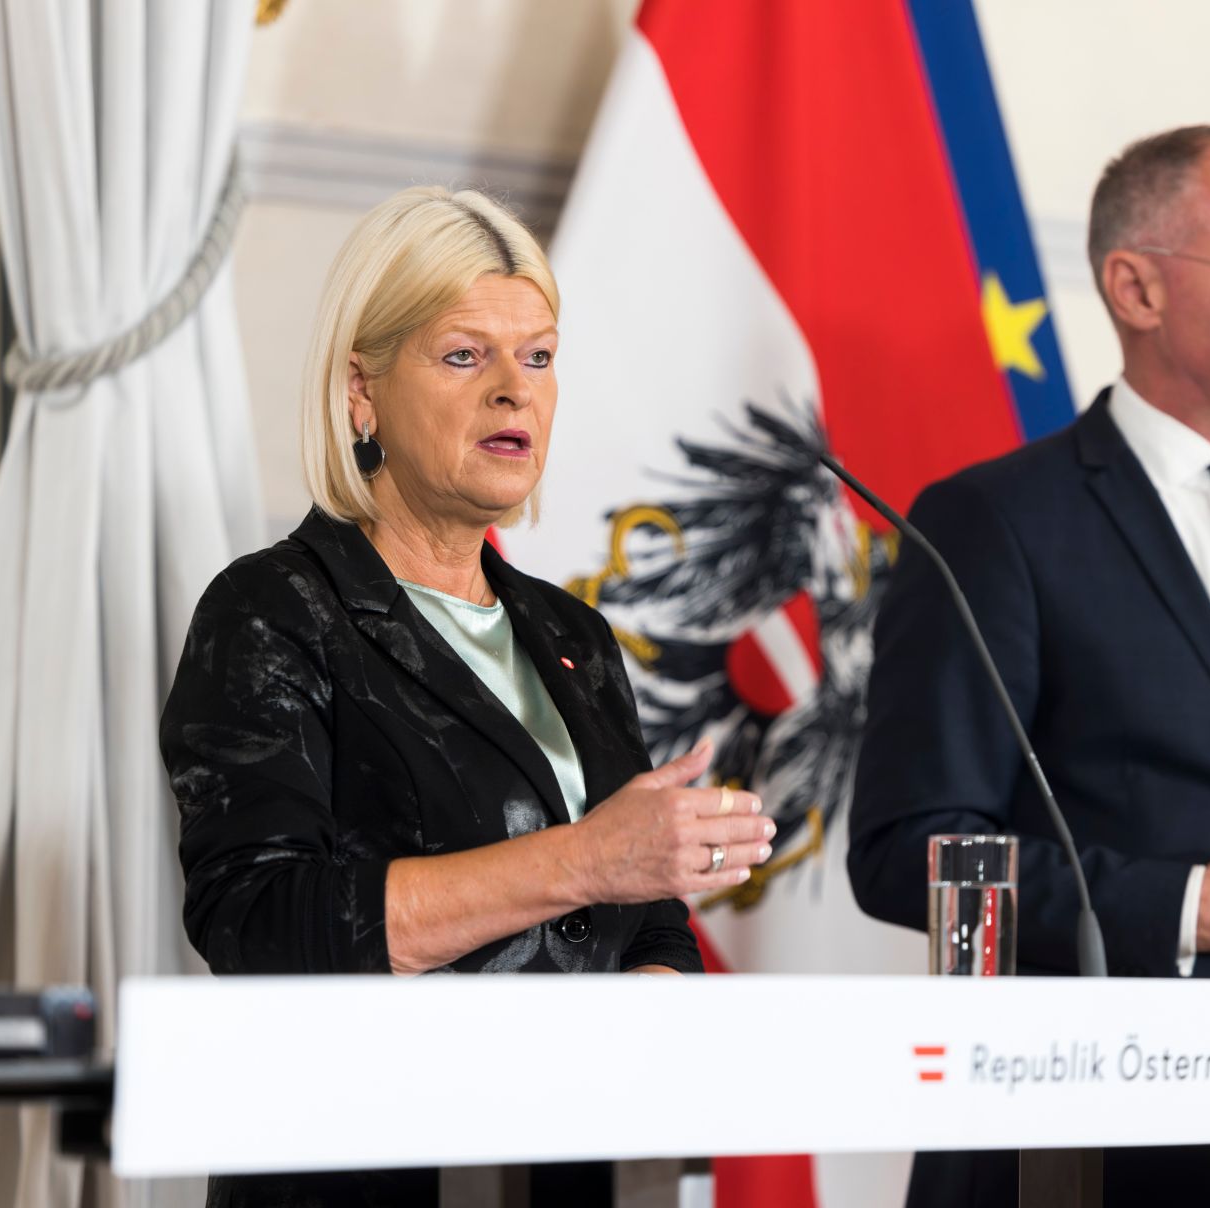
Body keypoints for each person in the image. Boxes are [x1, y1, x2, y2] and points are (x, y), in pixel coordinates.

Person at [847, 126, 1210, 1207]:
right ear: (1135, 287)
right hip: (1078, 1149)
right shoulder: (990, 521)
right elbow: (908, 854)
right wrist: (1184, 904)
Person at [161, 185, 775, 1207]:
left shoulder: (567, 632)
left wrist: (649, 996)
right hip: (367, 1175)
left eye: (536, 356)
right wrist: (581, 858)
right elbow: (260, 921)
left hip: (576, 1169)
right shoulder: (274, 610)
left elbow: (644, 921)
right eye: (463, 354)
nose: (513, 391)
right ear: (360, 392)